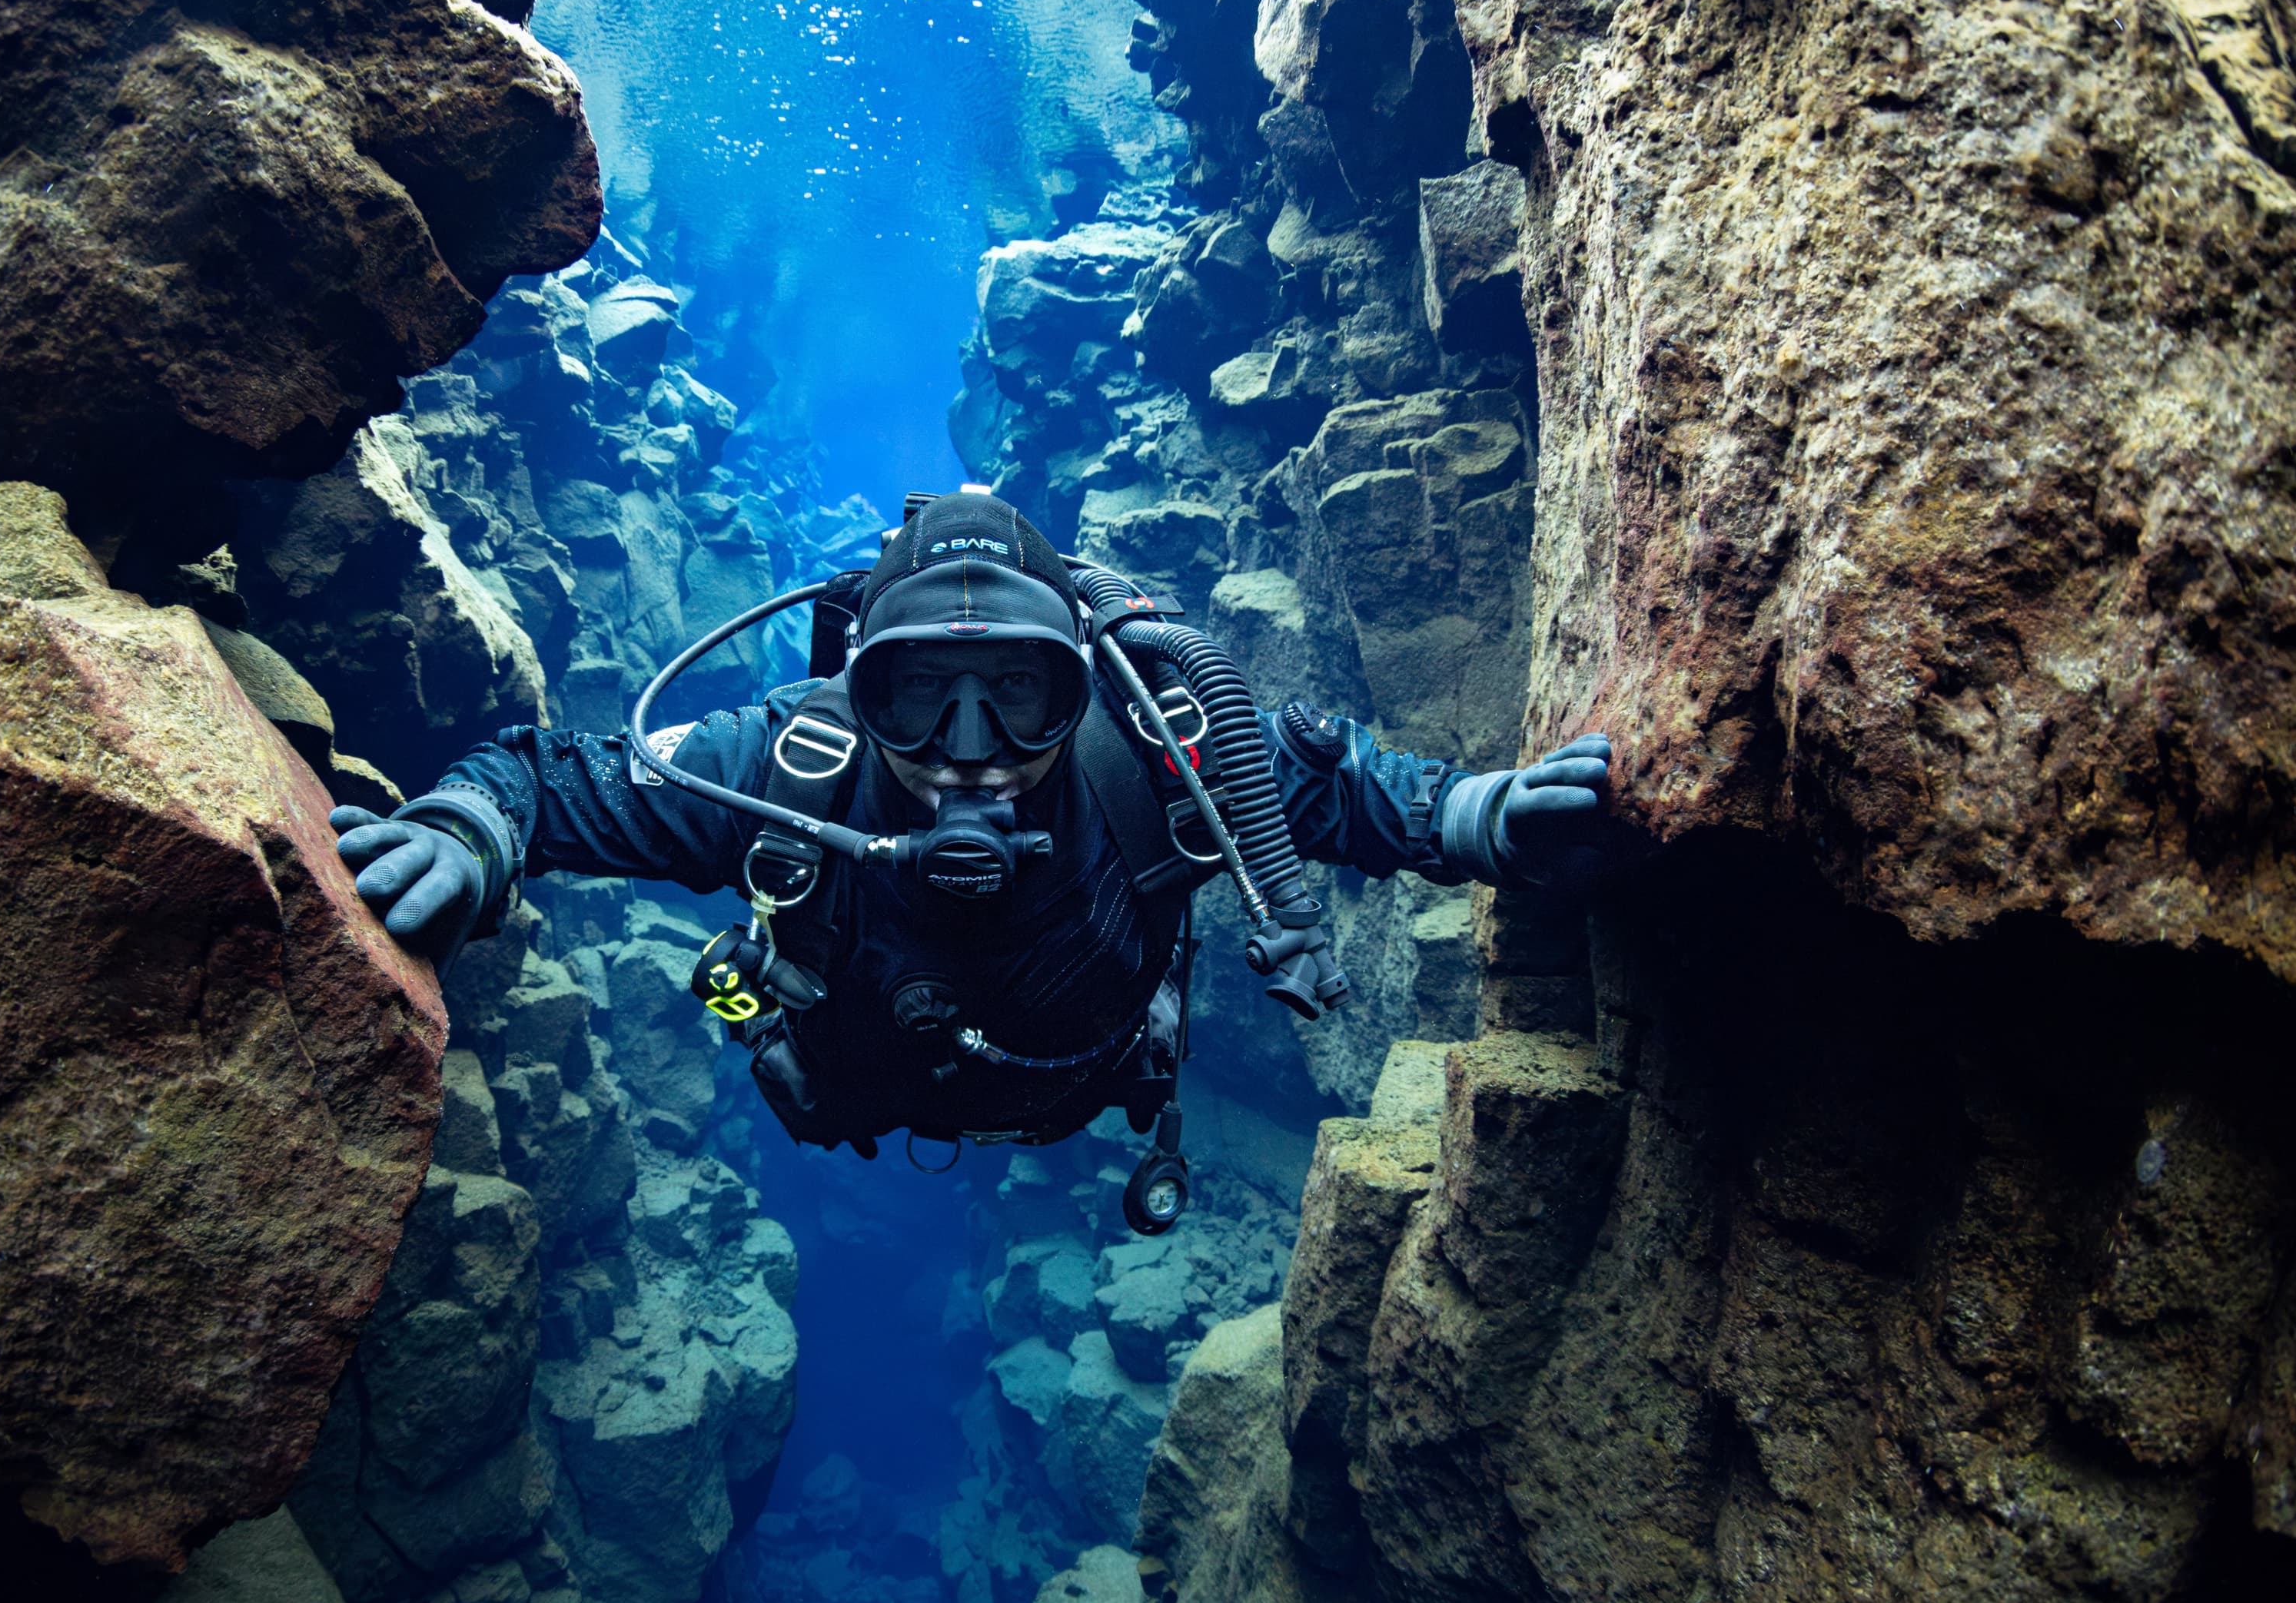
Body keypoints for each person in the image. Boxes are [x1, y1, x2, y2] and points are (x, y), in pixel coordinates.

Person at [331, 490, 1614, 1219]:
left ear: (1082, 691)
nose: (966, 749)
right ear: (856, 692)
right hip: (845, 1093)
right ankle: (747, 999)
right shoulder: (792, 768)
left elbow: (1337, 790)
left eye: (1018, 694)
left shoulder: (1153, 749)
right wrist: (470, 831)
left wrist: (1476, 818)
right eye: (914, 700)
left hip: (1086, 1087)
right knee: (726, 978)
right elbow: (556, 780)